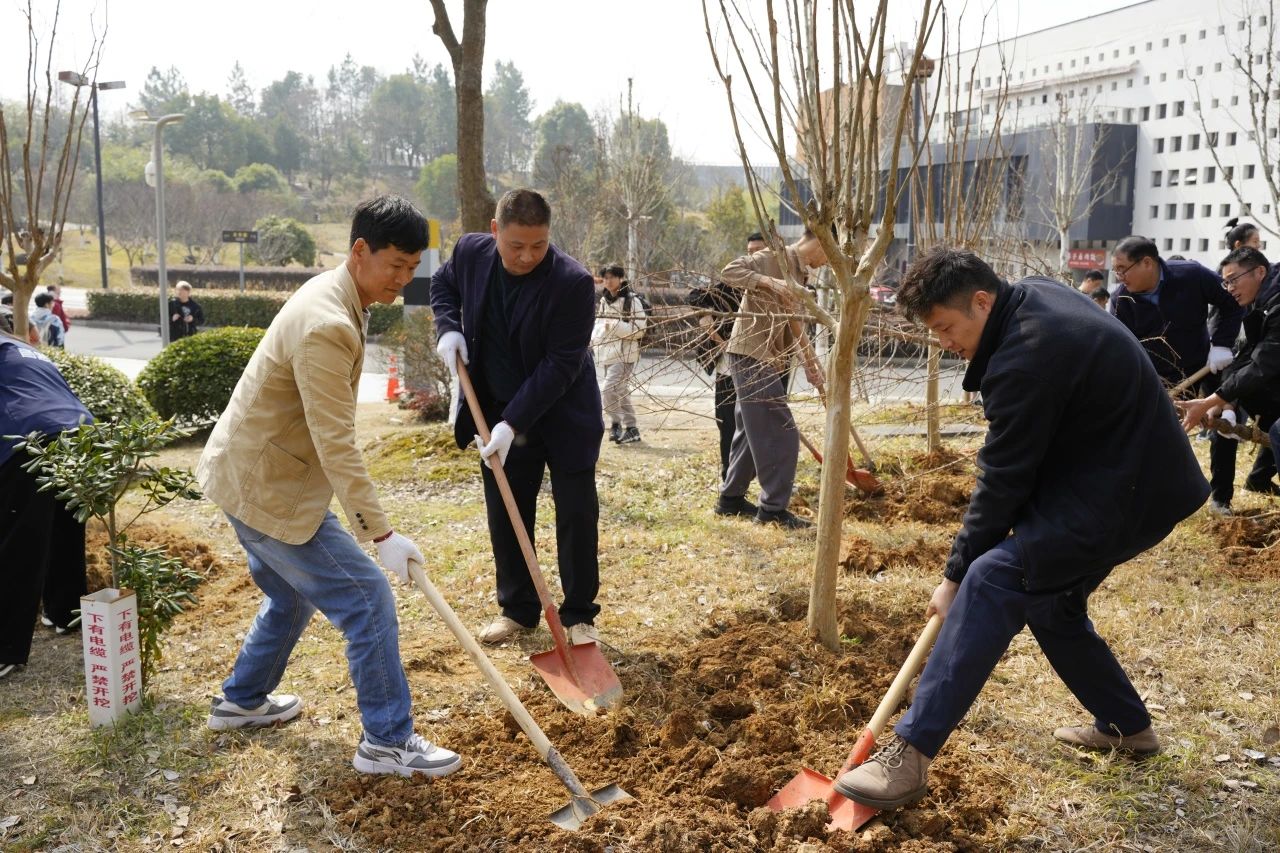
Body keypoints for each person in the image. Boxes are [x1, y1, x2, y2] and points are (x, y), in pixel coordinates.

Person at [833, 247, 1208, 812]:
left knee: (994, 579)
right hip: (1125, 473)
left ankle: (909, 756)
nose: (944, 342)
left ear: (983, 302)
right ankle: (1127, 727)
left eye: (947, 327)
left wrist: (955, 576)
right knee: (1051, 600)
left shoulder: (1025, 358)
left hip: (1127, 490)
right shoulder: (1031, 297)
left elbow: (1004, 480)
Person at [196, 195, 461, 778]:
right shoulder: (328, 324)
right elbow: (336, 442)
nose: (403, 279)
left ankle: (242, 700)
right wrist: (381, 534)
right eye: (395, 265)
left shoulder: (341, 294)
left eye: (412, 267)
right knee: (368, 598)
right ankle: (387, 741)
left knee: (291, 594)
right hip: (268, 488)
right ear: (360, 250)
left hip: (251, 475)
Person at [430, 189, 604, 646]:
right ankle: (519, 609)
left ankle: (579, 616)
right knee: (507, 511)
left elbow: (561, 365)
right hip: (496, 409)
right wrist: (447, 327)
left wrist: (513, 423)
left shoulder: (572, 283)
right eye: (516, 246)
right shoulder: (470, 253)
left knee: (576, 512)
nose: (528, 256)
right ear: (495, 231)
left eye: (539, 245)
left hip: (563, 414)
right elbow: (443, 283)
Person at [1109, 236, 1243, 512]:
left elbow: (1230, 304)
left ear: (1147, 263)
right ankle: (1155, 498)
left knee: (1224, 423)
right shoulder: (1121, 299)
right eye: (1116, 270)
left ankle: (1220, 498)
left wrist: (1221, 343)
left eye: (1123, 269)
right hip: (1158, 375)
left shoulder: (1191, 275)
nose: (1119, 277)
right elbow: (1123, 349)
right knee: (1157, 433)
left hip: (1204, 362)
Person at [716, 228, 827, 529]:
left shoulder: (800, 274)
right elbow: (729, 271)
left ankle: (730, 500)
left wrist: (810, 362)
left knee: (751, 433)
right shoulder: (773, 257)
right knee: (781, 431)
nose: (828, 263)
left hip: (767, 356)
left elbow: (794, 322)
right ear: (820, 242)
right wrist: (769, 281)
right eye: (829, 255)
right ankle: (772, 510)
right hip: (751, 352)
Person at [0, 330, 92, 679]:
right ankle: (65, 612)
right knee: (63, 527)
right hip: (79, 433)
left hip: (29, 438)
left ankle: (5, 648)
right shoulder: (21, 348)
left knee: (17, 542)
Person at [1179, 247, 1280, 494]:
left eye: (1234, 279)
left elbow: (1263, 365)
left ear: (1260, 272)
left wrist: (1210, 401)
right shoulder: (1258, 303)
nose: (1230, 288)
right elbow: (1245, 357)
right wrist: (1223, 401)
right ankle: (1254, 482)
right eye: (1226, 283)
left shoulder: (1276, 305)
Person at [687, 233, 765, 480]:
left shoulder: (775, 284)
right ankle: (729, 475)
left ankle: (755, 472)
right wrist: (709, 323)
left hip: (762, 366)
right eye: (750, 251)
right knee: (727, 420)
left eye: (759, 250)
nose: (753, 256)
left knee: (759, 424)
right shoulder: (733, 283)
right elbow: (696, 297)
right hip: (728, 366)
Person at [591, 264, 648, 444]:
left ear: (620, 278)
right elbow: (599, 324)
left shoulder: (632, 300)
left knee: (609, 389)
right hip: (607, 353)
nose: (608, 281)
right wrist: (594, 339)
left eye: (612, 277)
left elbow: (640, 329)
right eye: (605, 278)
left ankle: (616, 424)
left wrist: (615, 326)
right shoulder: (604, 300)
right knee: (620, 391)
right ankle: (632, 429)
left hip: (625, 354)